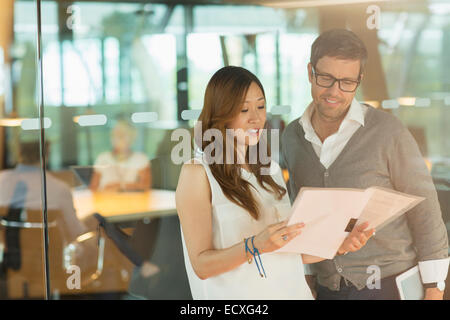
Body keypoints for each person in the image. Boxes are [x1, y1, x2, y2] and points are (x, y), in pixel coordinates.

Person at [176, 66, 374, 300]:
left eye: (261, 106)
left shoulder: (269, 169)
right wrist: (255, 245)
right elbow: (201, 266)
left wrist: (339, 244)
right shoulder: (197, 173)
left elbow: (290, 252)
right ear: (221, 114)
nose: (256, 118)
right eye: (243, 109)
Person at [281, 29, 449, 300]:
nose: (334, 91)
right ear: (310, 71)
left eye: (347, 82)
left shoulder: (387, 131)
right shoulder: (292, 137)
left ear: (359, 81)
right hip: (327, 289)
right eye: (326, 78)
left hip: (388, 285)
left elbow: (425, 208)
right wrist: (308, 277)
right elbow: (300, 214)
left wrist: (434, 287)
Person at [0, 141, 86, 243]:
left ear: (19, 153)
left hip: (6, 254)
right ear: (47, 155)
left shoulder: (1, 179)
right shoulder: (59, 188)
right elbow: (75, 230)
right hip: (49, 255)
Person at [90, 114, 151, 192]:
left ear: (132, 137)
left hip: (133, 202)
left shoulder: (141, 159)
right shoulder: (102, 158)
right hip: (106, 202)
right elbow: (93, 189)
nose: (117, 139)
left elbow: (145, 187)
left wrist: (118, 186)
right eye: (114, 135)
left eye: (121, 135)